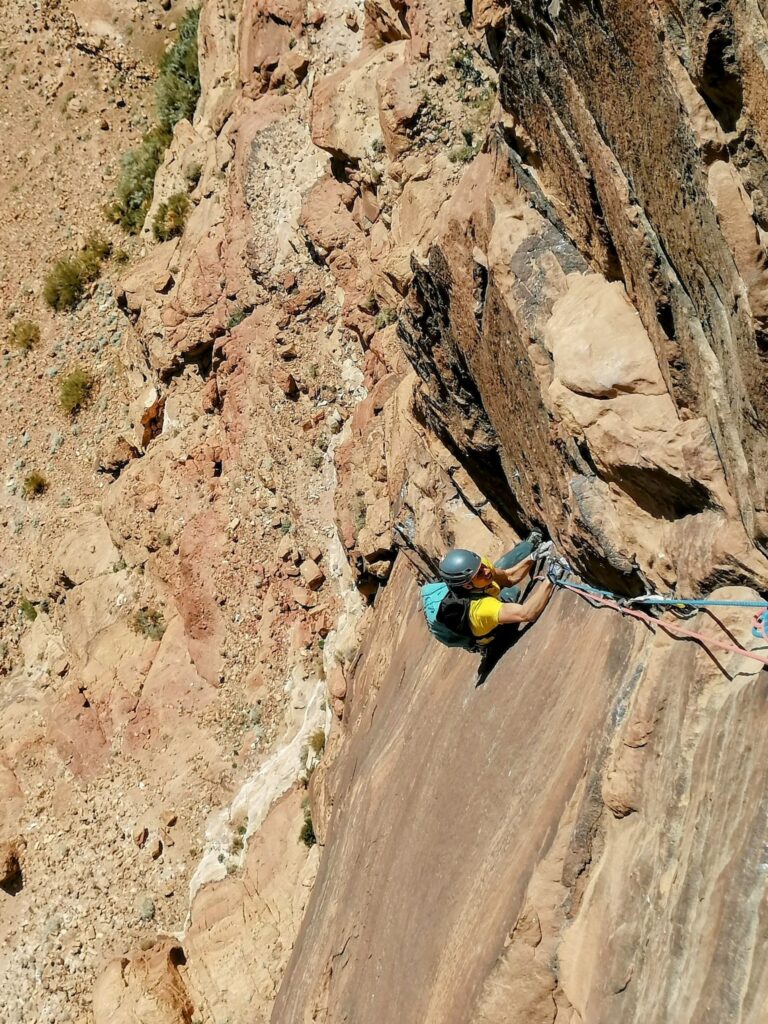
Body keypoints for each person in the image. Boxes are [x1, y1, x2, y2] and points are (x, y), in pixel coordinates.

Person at [436, 533, 564, 649]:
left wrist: (533, 556)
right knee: (512, 592)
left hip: (486, 595)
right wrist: (551, 577)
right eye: (479, 573)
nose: (486, 571)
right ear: (468, 586)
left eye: (482, 566)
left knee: (501, 567)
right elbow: (527, 614)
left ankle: (528, 545)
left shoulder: (478, 569)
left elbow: (509, 577)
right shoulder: (482, 609)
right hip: (495, 637)